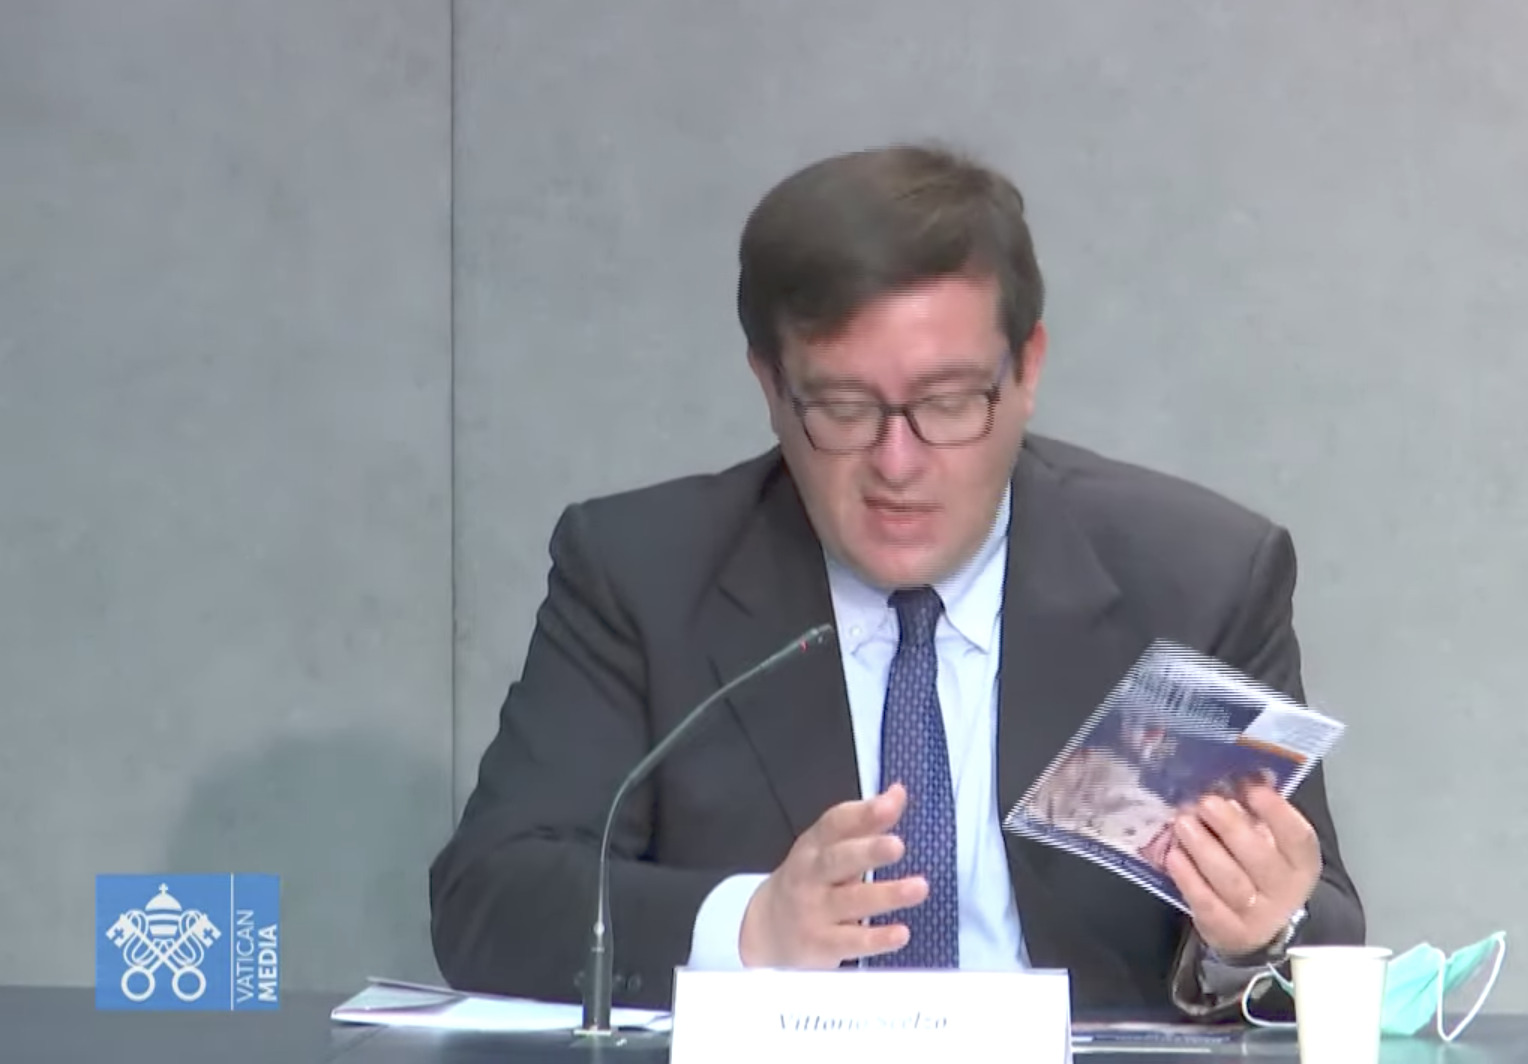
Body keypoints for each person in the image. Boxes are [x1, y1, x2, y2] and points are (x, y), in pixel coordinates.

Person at [427, 141, 1366, 1020]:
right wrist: (752, 929)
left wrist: (1255, 937)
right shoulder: (644, 574)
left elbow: (1316, 931)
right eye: (844, 408)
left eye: (948, 403)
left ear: (1027, 370)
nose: (898, 463)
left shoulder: (1190, 577)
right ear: (770, 385)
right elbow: (491, 900)